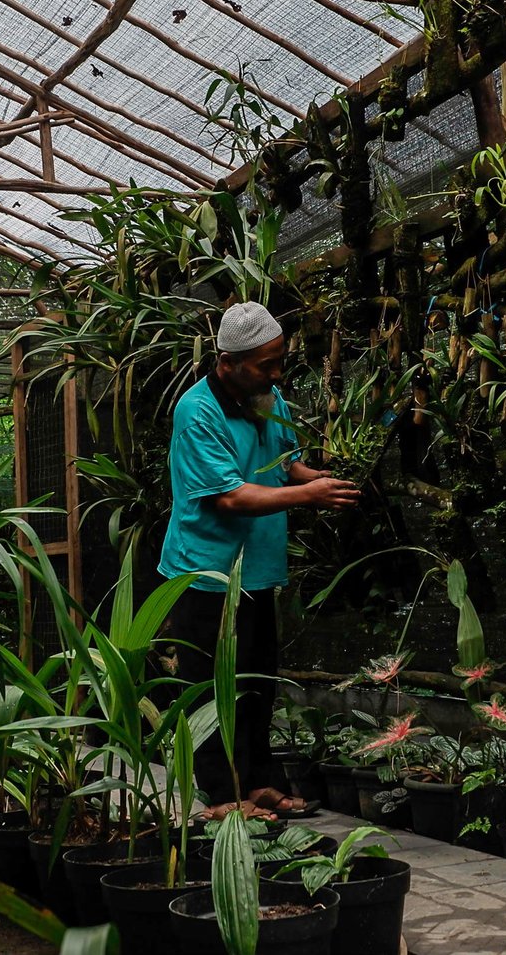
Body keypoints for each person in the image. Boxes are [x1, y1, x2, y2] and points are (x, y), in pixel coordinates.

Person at [158, 302, 360, 820]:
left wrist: (331, 482)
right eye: (266, 364)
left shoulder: (270, 400)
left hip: (256, 569)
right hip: (204, 574)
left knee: (256, 685)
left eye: (279, 360)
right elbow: (230, 498)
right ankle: (222, 798)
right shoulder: (196, 410)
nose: (277, 372)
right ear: (227, 362)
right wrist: (311, 497)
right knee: (212, 691)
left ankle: (258, 785)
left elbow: (287, 464)